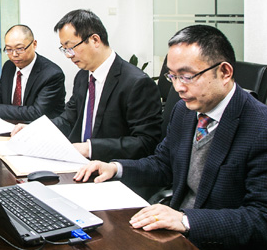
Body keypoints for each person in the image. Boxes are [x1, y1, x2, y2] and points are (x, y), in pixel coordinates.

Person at [74, 25, 267, 250]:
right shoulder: (184, 111)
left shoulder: (260, 127)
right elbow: (163, 164)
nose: (178, 87)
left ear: (224, 72)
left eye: (187, 76)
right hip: (180, 242)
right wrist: (116, 168)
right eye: (172, 76)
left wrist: (186, 220)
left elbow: (260, 218)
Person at [13, 9, 162, 161]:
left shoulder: (136, 83)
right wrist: (35, 130)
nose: (68, 55)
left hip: (110, 167)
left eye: (71, 47)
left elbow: (146, 142)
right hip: (78, 163)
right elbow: (68, 119)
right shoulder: (83, 76)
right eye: (64, 49)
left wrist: (89, 148)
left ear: (95, 40)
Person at [0, 25, 65, 121]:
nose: (14, 55)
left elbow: (37, 112)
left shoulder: (51, 74)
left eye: (19, 49)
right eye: (9, 49)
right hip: (10, 125)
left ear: (34, 44)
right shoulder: (9, 66)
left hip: (38, 128)